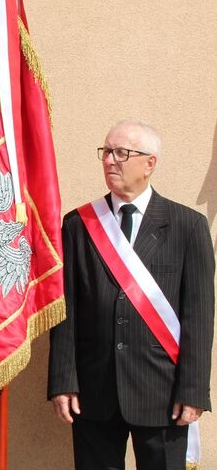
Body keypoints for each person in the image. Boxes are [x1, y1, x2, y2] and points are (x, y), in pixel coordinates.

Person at [48, 120, 215, 469]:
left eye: (121, 153)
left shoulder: (187, 226)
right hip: (94, 392)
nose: (110, 160)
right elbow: (67, 309)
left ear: (149, 163)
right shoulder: (78, 224)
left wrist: (194, 390)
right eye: (106, 151)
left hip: (163, 394)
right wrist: (63, 381)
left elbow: (198, 316)